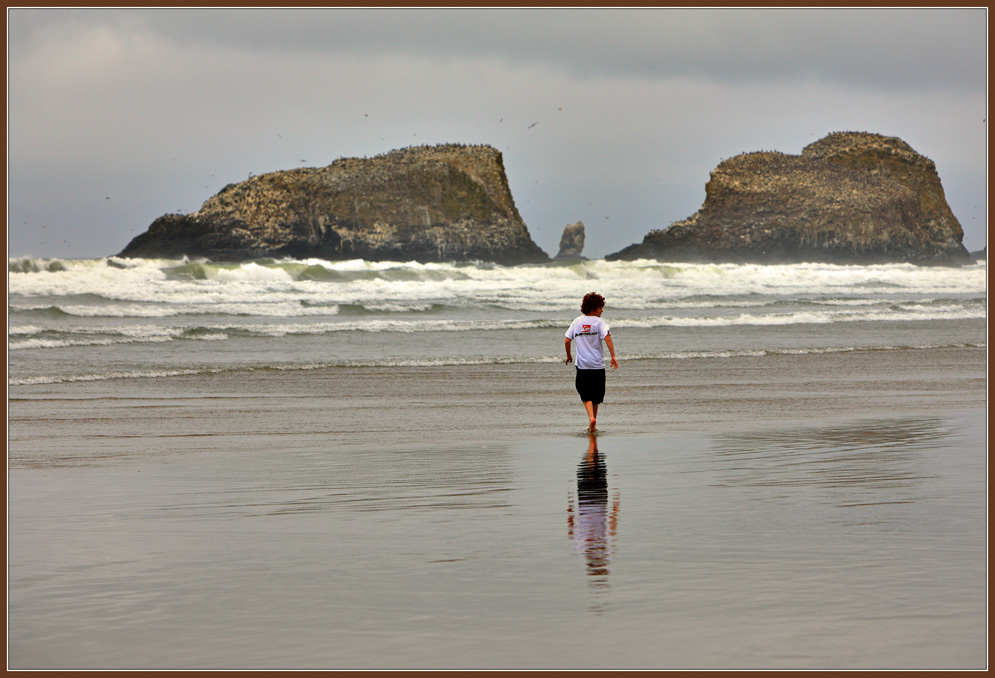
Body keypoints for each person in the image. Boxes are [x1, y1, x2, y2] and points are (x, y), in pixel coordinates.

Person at [564, 292, 618, 432]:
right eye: (600, 308)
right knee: (596, 396)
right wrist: (613, 356)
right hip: (598, 366)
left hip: (582, 365)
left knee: (585, 393)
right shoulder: (599, 322)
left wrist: (569, 355)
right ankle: (594, 421)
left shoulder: (577, 322)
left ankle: (591, 419)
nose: (602, 310)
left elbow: (567, 340)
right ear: (594, 308)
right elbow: (607, 338)